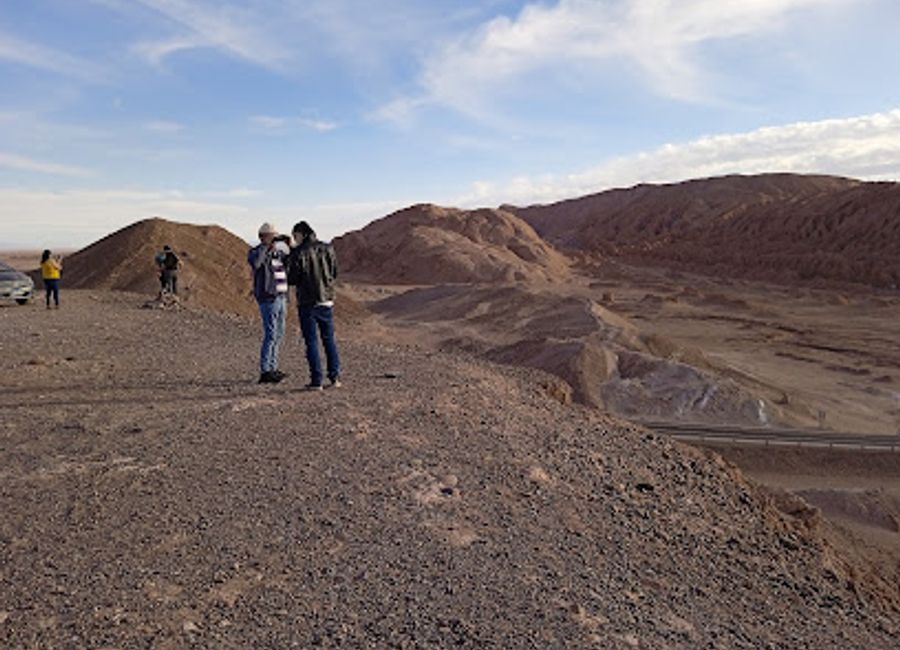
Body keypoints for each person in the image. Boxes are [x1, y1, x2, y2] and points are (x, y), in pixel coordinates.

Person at [287, 221, 341, 390]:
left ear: (300, 234)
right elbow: (334, 272)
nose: (294, 239)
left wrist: (289, 257)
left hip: (307, 302)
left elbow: (293, 279)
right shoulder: (328, 248)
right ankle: (335, 377)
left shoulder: (299, 252)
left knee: (311, 341)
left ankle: (316, 380)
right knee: (329, 339)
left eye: (295, 236)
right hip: (326, 300)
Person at [248, 223, 290, 384]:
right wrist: (266, 247)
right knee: (271, 334)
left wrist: (287, 244)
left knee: (279, 334)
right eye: (272, 236)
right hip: (268, 298)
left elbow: (290, 260)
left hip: (281, 297)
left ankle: (273, 367)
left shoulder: (277, 253)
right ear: (263, 236)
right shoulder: (256, 251)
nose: (275, 238)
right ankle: (265, 371)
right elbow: (256, 264)